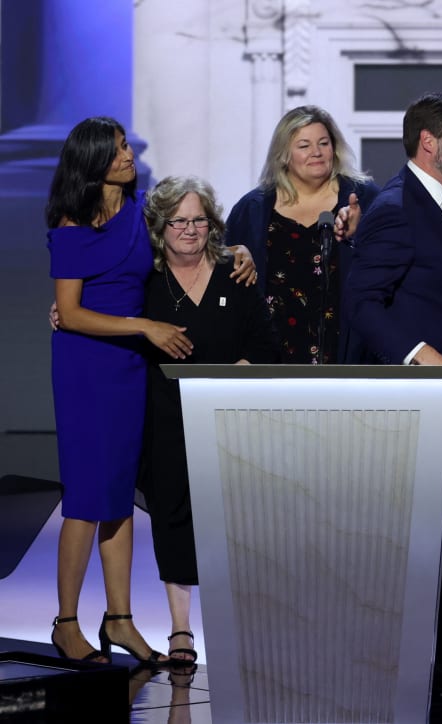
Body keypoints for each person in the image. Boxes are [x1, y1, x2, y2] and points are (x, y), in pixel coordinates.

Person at [344, 92, 442, 698]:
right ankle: (417, 669)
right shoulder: (397, 207)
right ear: (431, 143)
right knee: (440, 540)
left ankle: (434, 664)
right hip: (420, 411)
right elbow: (362, 302)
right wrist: (420, 355)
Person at [46, 117, 191, 666]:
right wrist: (143, 327)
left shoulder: (141, 211)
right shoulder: (71, 225)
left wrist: (238, 253)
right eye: (118, 149)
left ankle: (120, 619)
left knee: (119, 498)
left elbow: (192, 235)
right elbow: (75, 313)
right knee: (86, 499)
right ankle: (65, 623)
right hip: (87, 368)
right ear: (93, 163)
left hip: (130, 369)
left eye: (126, 145)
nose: (129, 155)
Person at [138, 176, 277, 668]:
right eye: (179, 220)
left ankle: (235, 626)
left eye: (199, 219)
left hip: (230, 416)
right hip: (165, 415)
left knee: (231, 522)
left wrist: (239, 371)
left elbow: (266, 343)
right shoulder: (146, 280)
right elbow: (118, 323)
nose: (190, 229)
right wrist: (61, 309)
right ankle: (180, 629)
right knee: (172, 517)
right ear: (159, 228)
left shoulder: (234, 272)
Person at [226, 105, 380, 364]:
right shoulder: (251, 209)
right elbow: (225, 275)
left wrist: (358, 236)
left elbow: (391, 268)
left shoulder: (364, 199)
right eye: (304, 146)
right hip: (270, 359)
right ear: (284, 154)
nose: (317, 153)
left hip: (348, 356)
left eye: (323, 143)